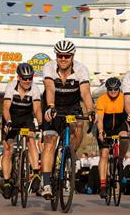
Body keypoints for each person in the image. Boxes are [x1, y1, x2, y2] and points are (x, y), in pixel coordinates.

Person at [41, 40, 96, 199]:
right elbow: (50, 87)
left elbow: (85, 92)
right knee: (50, 140)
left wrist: (91, 110)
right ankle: (46, 183)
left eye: (67, 56)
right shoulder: (49, 67)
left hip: (72, 104)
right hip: (54, 104)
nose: (63, 59)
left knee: (79, 125)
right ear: (56, 56)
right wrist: (51, 106)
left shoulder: (81, 69)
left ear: (72, 56)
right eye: (60, 56)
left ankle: (69, 155)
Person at [1, 63, 43, 199]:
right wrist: (8, 122)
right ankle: (7, 182)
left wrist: (41, 124)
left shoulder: (35, 89)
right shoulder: (11, 87)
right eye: (25, 78)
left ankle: (36, 173)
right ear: (18, 77)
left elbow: (37, 109)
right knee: (8, 149)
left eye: (30, 78)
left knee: (31, 139)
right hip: (11, 117)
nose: (27, 81)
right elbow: (6, 108)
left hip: (26, 118)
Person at [96, 77, 129, 198]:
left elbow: (128, 112)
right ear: (107, 89)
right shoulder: (101, 99)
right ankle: (103, 185)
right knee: (104, 154)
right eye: (111, 89)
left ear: (119, 88)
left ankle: (120, 159)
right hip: (105, 127)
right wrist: (100, 131)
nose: (113, 91)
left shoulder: (124, 97)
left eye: (116, 89)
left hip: (119, 126)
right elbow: (99, 118)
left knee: (125, 138)